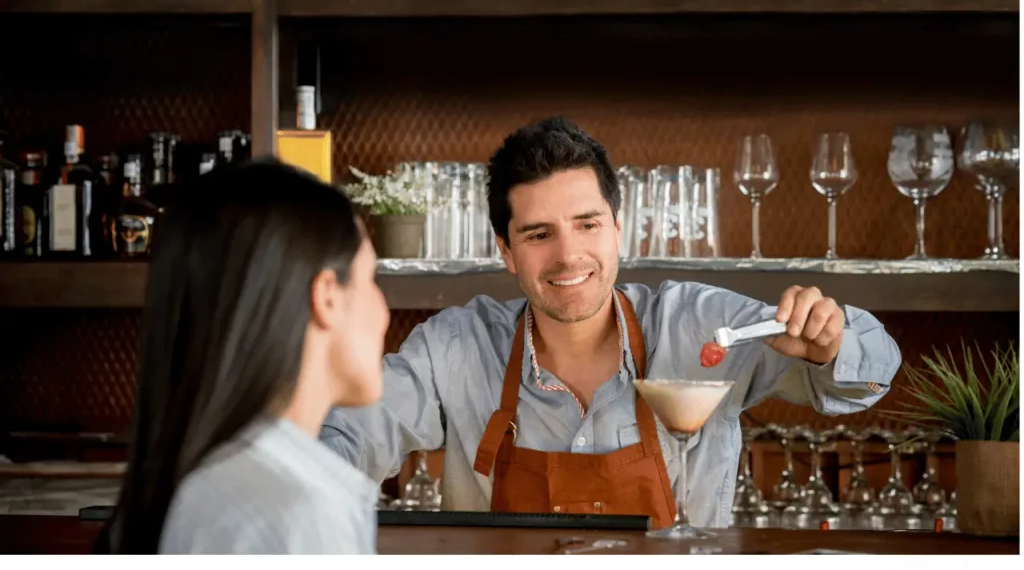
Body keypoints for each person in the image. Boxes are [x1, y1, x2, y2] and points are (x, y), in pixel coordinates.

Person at [319, 117, 901, 529]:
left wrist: (829, 341)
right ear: (506, 251)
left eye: (588, 224)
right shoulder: (456, 346)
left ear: (618, 228)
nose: (569, 256)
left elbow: (869, 376)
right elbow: (351, 434)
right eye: (539, 234)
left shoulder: (699, 323)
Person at [99, 159, 390, 554]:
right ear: (326, 297)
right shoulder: (298, 511)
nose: (383, 310)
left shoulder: (205, 483)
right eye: (371, 279)